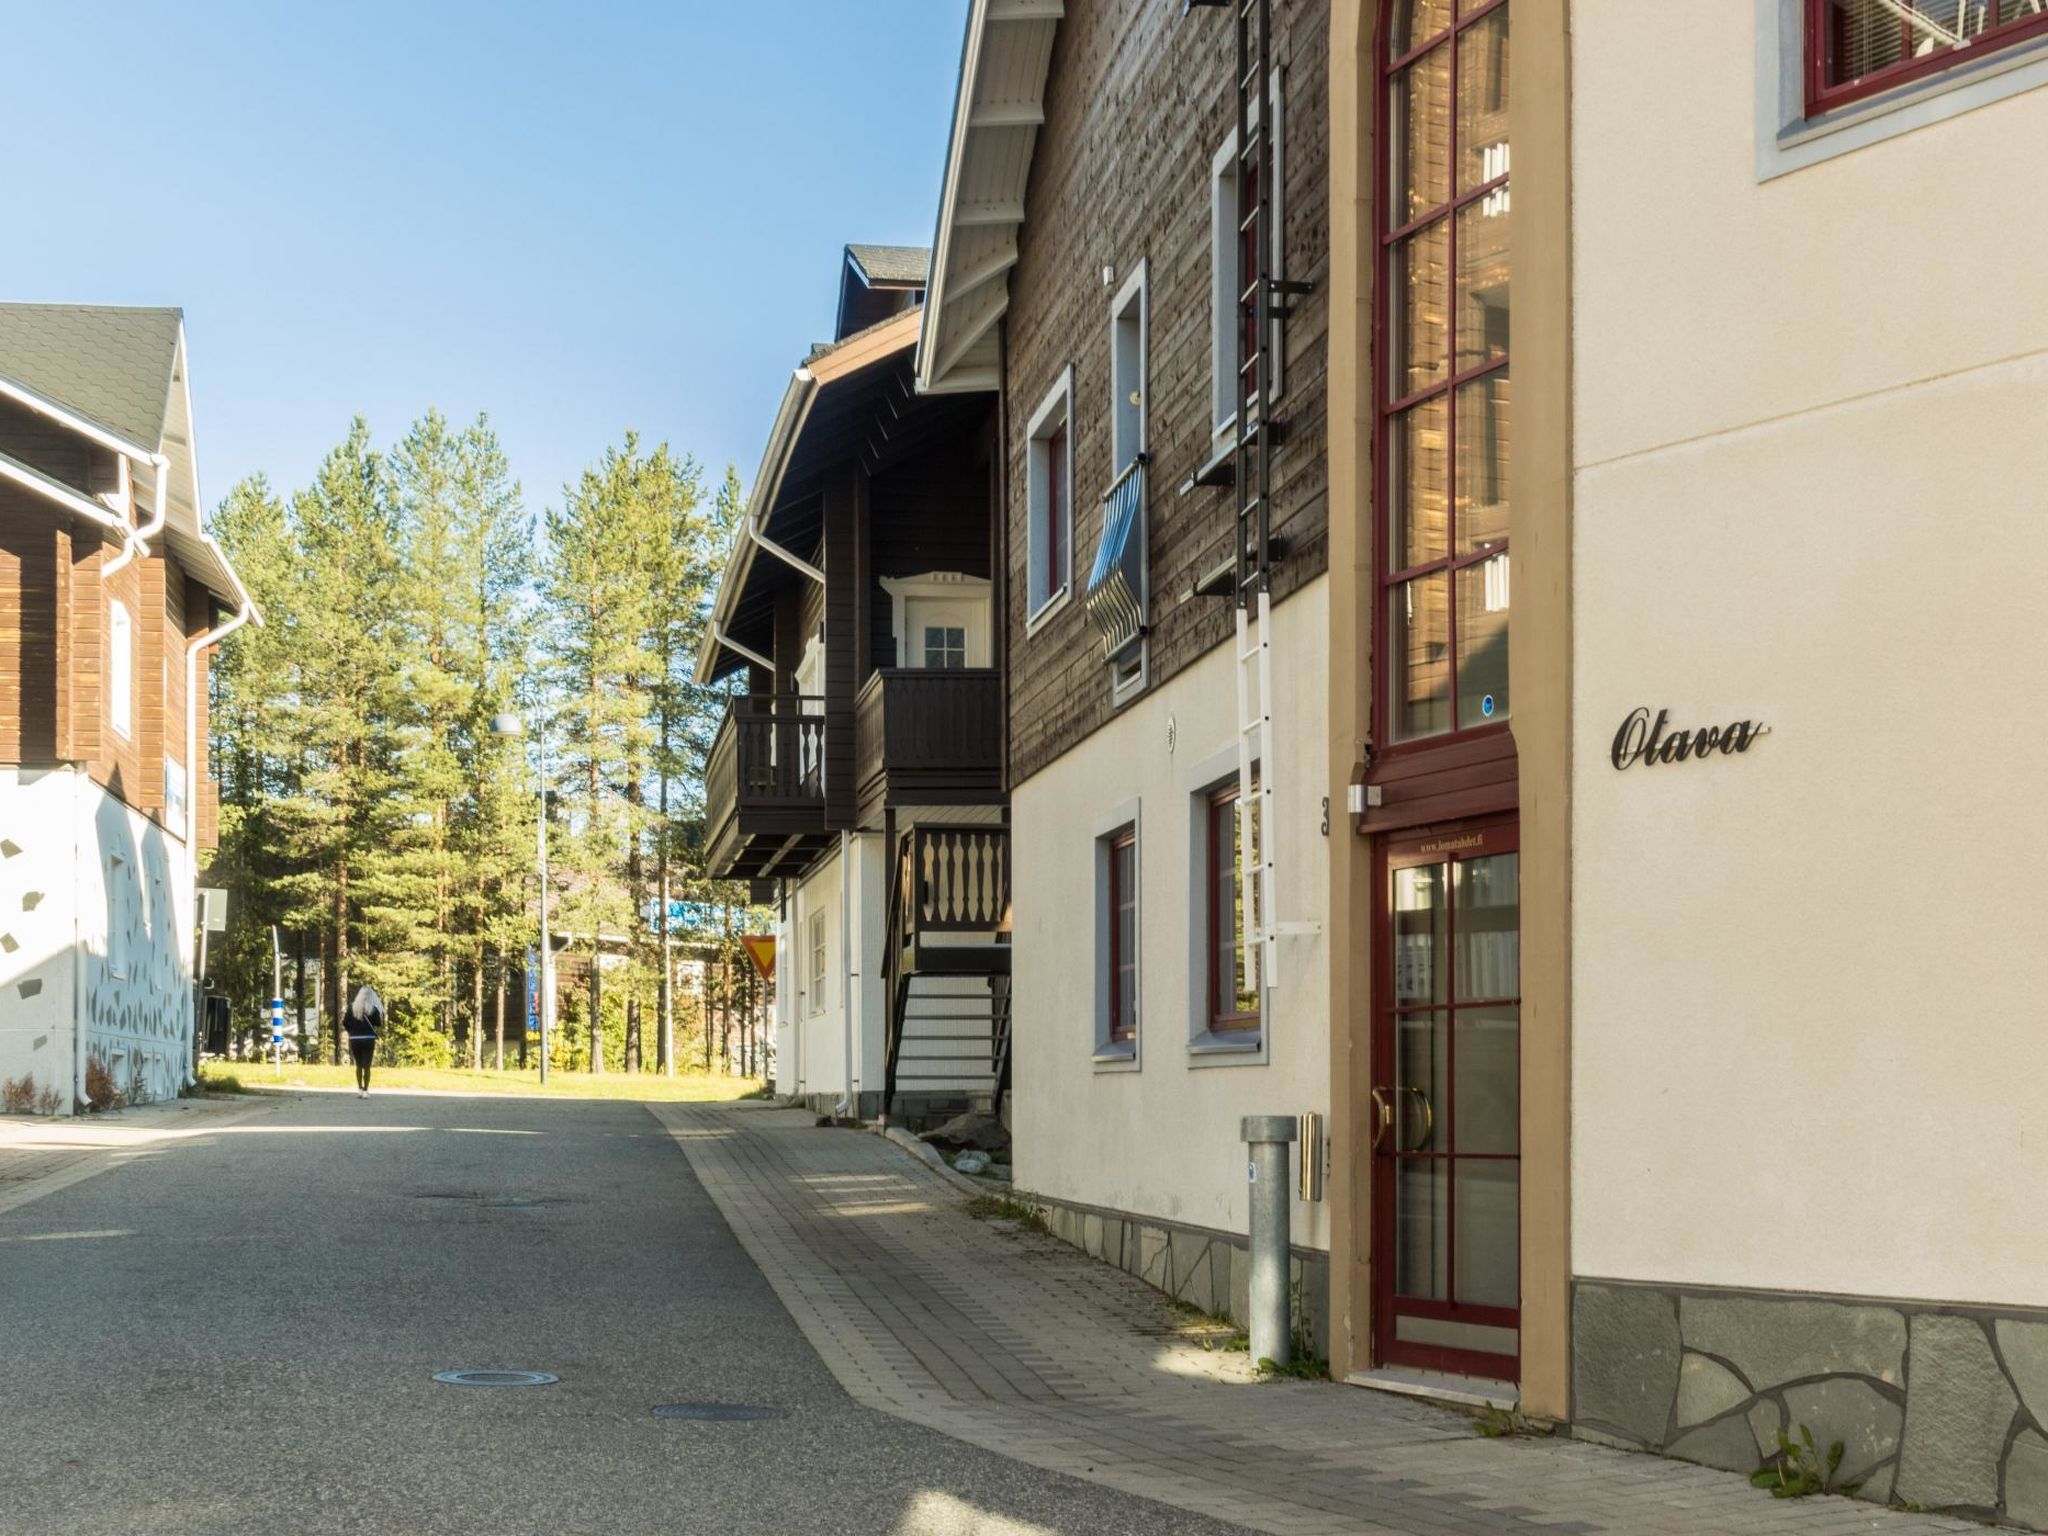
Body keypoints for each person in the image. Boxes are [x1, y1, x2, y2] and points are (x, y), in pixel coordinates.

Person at [345, 984, 383, 1097]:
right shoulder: (373, 1008)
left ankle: (359, 1089)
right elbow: (378, 1023)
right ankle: (366, 1090)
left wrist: (352, 1031)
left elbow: (345, 1022)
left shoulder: (352, 1007)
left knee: (358, 1065)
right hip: (368, 1038)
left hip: (355, 1038)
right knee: (367, 1066)